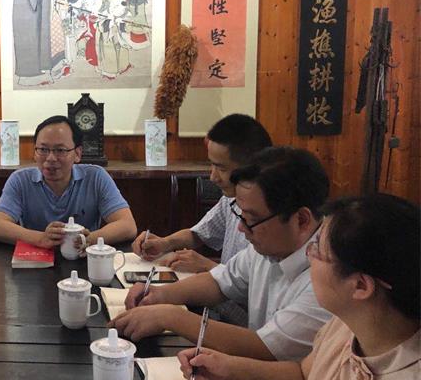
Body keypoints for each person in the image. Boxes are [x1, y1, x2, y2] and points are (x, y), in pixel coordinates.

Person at [176, 194, 420, 380]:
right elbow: (305, 377)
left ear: (360, 286)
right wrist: (230, 367)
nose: (308, 255)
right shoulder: (345, 327)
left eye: (317, 250)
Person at [112, 147, 332, 361]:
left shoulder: (329, 276)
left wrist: (170, 317)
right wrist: (159, 295)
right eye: (241, 215)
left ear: (301, 220)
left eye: (252, 219)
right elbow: (220, 281)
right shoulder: (271, 246)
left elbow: (265, 348)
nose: (241, 228)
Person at [133, 114, 273, 274]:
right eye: (212, 165)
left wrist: (208, 266)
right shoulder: (230, 199)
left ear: (251, 167)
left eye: (221, 168)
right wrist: (165, 243)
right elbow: (200, 233)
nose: (213, 177)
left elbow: (256, 282)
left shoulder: (271, 216)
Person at [0, 115, 136, 248]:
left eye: (60, 150)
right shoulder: (20, 180)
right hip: (35, 261)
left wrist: (88, 239)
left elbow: (127, 225)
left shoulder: (96, 177)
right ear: (35, 152)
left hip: (83, 260)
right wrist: (40, 239)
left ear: (77, 154)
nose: (50, 158)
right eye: (43, 149)